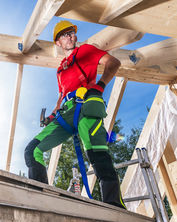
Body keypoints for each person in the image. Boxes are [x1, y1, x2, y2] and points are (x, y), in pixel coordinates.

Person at [24, 20, 126, 209]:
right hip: (67, 111)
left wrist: (99, 87)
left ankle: (114, 204)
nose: (69, 36)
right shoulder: (60, 69)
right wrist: (51, 117)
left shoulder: (86, 51)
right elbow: (61, 96)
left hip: (86, 105)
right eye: (64, 35)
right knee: (32, 150)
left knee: (98, 154)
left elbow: (113, 63)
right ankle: (41, 201)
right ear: (58, 42)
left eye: (71, 33)